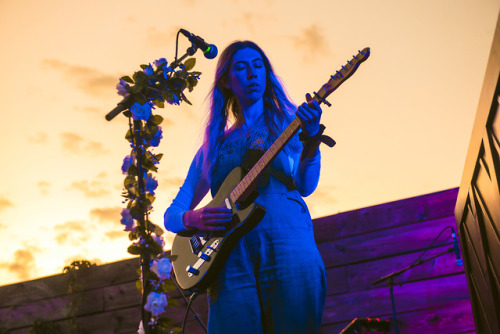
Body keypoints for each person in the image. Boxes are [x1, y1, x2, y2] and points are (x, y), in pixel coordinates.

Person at [164, 40, 327, 334]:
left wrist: (312, 142)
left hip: (287, 244)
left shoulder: (290, 123)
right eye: (241, 67)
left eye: (258, 65)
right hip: (230, 256)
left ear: (267, 74)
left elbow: (305, 185)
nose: (252, 73)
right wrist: (194, 218)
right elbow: (172, 214)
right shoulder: (213, 146)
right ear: (226, 81)